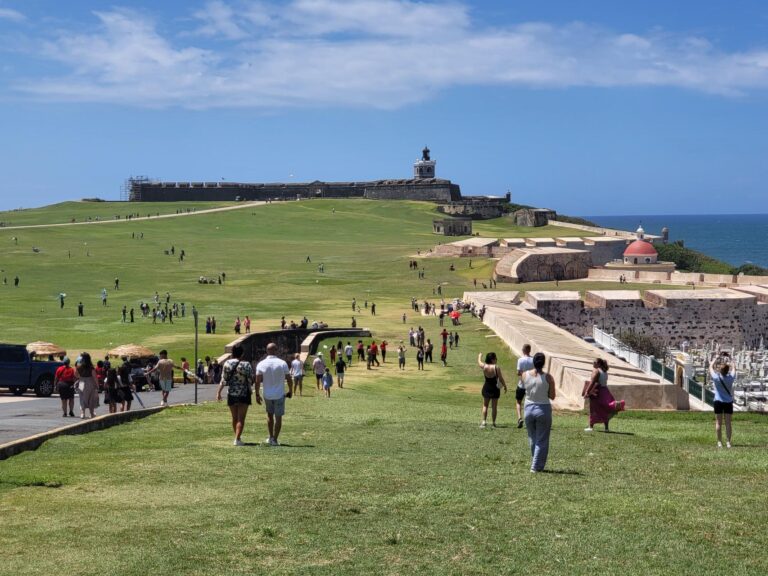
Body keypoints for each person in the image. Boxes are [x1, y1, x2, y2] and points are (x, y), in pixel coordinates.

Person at [216, 344, 258, 446]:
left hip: (231, 393)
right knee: (241, 418)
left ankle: (237, 437)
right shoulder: (246, 364)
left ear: (233, 353)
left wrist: (218, 392)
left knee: (234, 417)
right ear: (242, 353)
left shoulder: (227, 363)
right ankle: (237, 439)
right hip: (244, 393)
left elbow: (223, 379)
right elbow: (251, 379)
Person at [522, 353, 556, 472]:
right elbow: (552, 396)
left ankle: (535, 461)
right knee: (542, 439)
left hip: (528, 408)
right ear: (543, 363)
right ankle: (536, 466)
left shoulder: (524, 374)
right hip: (543, 409)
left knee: (532, 438)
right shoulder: (548, 377)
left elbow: (523, 389)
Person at [255, 343, 293, 446]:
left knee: (269, 415)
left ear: (267, 351)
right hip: (279, 394)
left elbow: (257, 381)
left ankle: (271, 436)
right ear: (276, 350)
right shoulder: (282, 363)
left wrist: (257, 394)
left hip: (267, 394)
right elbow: (289, 379)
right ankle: (275, 439)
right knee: (278, 417)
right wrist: (290, 390)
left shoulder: (261, 364)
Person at [583, 358, 626, 432]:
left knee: (593, 409)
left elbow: (592, 382)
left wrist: (587, 391)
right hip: (605, 391)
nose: (593, 363)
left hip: (598, 391)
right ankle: (606, 428)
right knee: (605, 409)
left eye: (595, 362)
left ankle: (590, 427)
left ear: (599, 364)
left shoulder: (596, 371)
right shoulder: (605, 371)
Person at [710, 353, 735, 448]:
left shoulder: (716, 378)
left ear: (720, 370)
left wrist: (716, 358)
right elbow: (734, 368)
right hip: (728, 402)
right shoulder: (731, 378)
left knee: (718, 422)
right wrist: (730, 358)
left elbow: (710, 367)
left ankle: (719, 442)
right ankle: (728, 442)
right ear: (728, 370)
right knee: (728, 423)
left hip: (718, 401)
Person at [479, 352, 507, 428]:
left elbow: (479, 362)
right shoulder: (496, 367)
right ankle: (493, 423)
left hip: (486, 387)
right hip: (495, 389)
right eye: (495, 358)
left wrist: (480, 356)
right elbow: (501, 378)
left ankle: (484, 422)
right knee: (494, 407)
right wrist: (505, 386)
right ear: (492, 360)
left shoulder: (484, 366)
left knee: (485, 405)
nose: (496, 359)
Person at [515, 344, 534, 429]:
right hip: (531, 385)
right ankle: (528, 420)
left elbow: (518, 372)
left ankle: (519, 418)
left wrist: (523, 374)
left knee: (518, 402)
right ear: (530, 350)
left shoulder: (520, 360)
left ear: (523, 350)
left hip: (521, 384)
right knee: (529, 403)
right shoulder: (533, 360)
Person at [76, 352, 99, 419]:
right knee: (91, 398)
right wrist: (97, 385)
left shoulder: (79, 366)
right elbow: (95, 377)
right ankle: (91, 413)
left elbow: (76, 375)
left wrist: (80, 377)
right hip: (90, 382)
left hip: (81, 382)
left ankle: (82, 413)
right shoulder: (91, 367)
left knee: (82, 397)